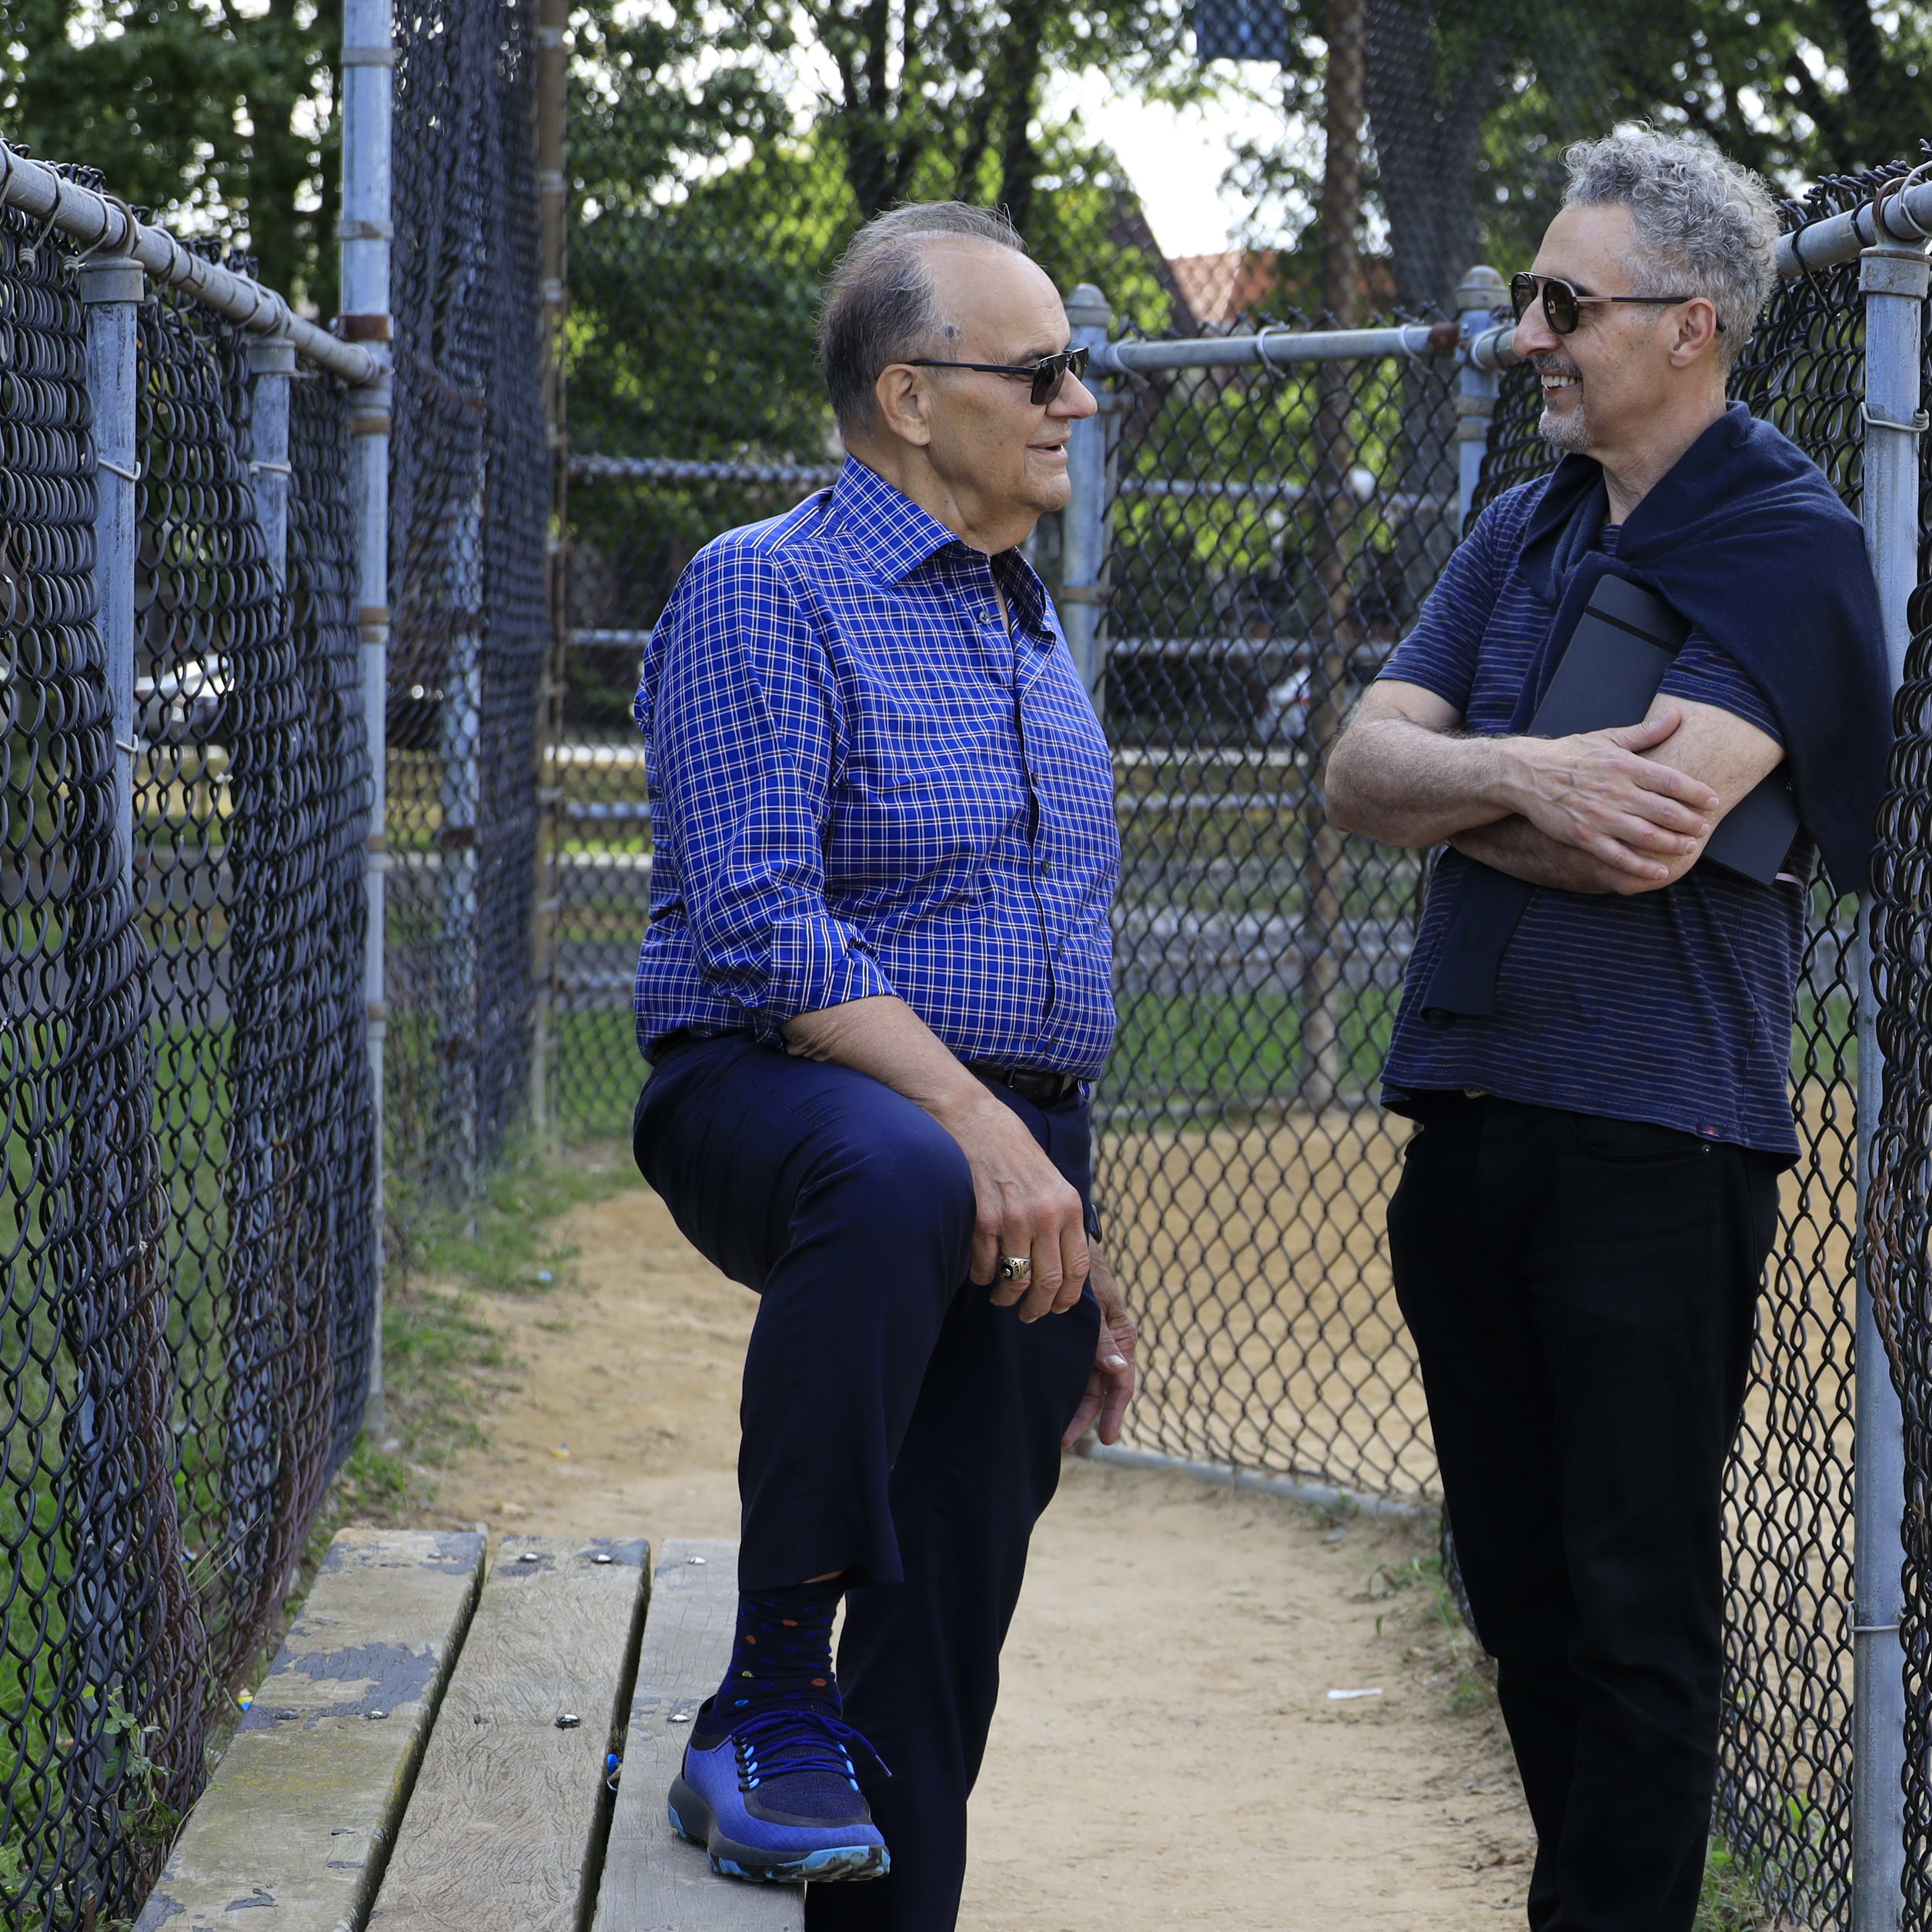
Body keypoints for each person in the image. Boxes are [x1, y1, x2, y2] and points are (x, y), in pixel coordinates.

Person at [1322, 133, 1890, 1932]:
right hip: (1473, 1127)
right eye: (1526, 303)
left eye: (1563, 305)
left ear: (1692, 327)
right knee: (1519, 1598)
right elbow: (1356, 771)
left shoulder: (1788, 546)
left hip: (1657, 1144)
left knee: (1634, 1607)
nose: (1528, 340)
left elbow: (1644, 838)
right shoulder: (1527, 525)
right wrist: (1527, 775)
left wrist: (1463, 787)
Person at [627, 200, 1141, 1930]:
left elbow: (1044, 968)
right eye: (1046, 370)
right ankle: (773, 1679)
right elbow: (762, 928)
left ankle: (848, 1848)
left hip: (1002, 1152)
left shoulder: (1024, 619)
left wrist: (1075, 1217)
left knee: (936, 1664)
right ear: (913, 399)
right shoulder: (766, 586)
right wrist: (984, 1126)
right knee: (903, 1165)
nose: (1079, 400)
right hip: (776, 1093)